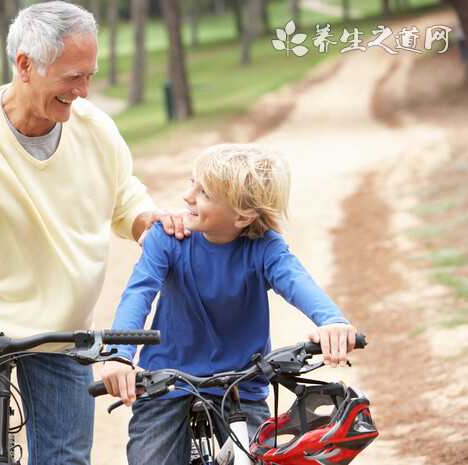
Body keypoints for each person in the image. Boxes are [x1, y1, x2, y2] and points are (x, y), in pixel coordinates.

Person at [0, 3, 187, 465]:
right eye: (73, 76)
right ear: (25, 65)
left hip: (61, 329)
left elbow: (127, 200)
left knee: (65, 462)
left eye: (90, 75)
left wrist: (154, 223)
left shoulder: (95, 130)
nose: (84, 91)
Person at [99, 144, 358, 465]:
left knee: (257, 458)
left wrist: (331, 321)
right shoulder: (166, 238)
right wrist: (119, 355)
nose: (187, 196)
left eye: (203, 191)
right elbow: (138, 294)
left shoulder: (264, 249)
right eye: (190, 182)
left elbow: (298, 283)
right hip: (167, 384)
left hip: (241, 385)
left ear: (242, 214)